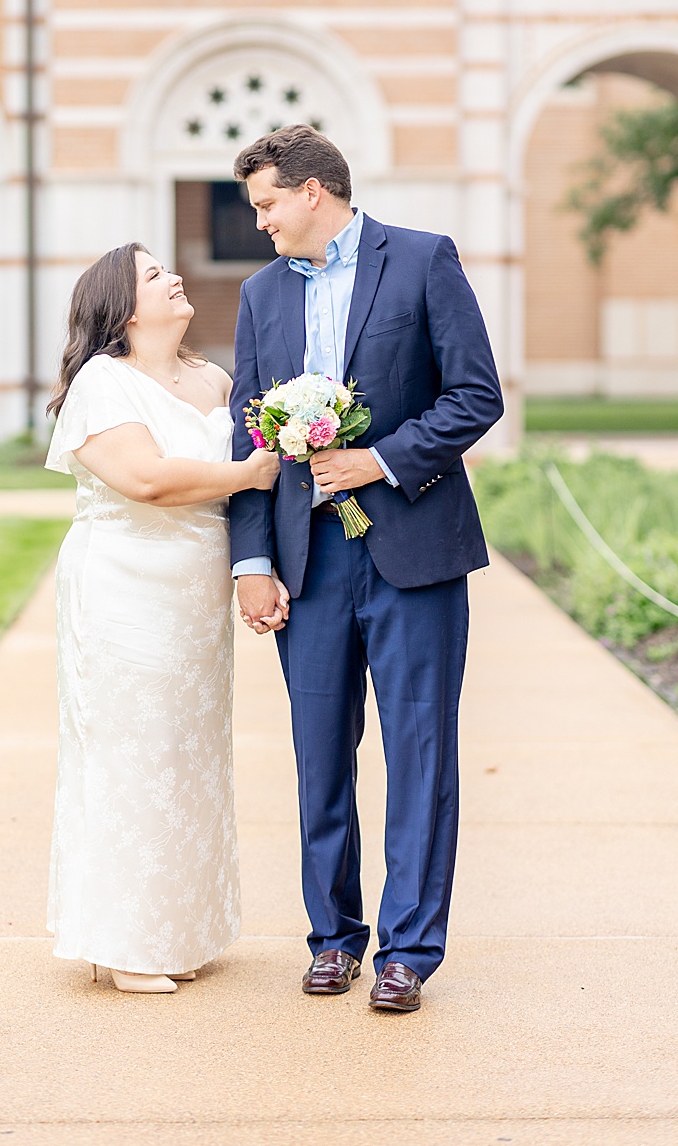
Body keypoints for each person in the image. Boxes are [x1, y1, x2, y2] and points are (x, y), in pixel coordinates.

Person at [227, 124, 503, 1014]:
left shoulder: (423, 261)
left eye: (267, 203)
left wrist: (379, 459)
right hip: (307, 562)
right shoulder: (261, 294)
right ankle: (333, 938)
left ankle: (409, 950)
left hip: (413, 551)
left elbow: (475, 395)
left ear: (314, 191)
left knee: (420, 750)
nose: (261, 223)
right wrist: (253, 558)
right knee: (318, 757)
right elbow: (248, 436)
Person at [42, 245, 281, 993]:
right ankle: (122, 945)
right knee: (128, 751)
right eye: (152, 274)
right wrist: (246, 471)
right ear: (123, 306)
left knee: (188, 756)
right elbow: (144, 478)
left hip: (193, 597)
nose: (173, 277)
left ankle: (178, 929)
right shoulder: (102, 382)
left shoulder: (213, 378)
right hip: (123, 587)